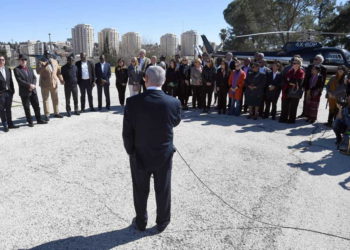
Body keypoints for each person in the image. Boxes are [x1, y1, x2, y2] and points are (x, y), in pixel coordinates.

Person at [122, 65, 181, 233]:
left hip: (139, 154)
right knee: (163, 189)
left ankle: (141, 222)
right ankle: (162, 221)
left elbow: (127, 132)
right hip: (164, 153)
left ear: (145, 79)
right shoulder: (173, 102)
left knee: (140, 190)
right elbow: (175, 122)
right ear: (164, 81)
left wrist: (131, 151)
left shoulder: (133, 102)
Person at [14, 54, 47, 127]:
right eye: (22, 60)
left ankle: (39, 120)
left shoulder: (30, 68)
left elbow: (34, 77)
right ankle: (30, 121)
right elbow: (19, 80)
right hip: (24, 92)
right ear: (19, 61)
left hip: (33, 90)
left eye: (25, 60)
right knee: (27, 108)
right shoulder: (16, 69)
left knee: (36, 106)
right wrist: (29, 85)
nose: (23, 61)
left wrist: (33, 85)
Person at [36, 50, 64, 121]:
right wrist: (44, 66)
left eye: (49, 54)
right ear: (44, 55)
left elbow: (58, 72)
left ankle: (56, 112)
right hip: (44, 84)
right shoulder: (40, 61)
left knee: (55, 99)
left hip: (54, 83)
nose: (48, 56)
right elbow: (38, 72)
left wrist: (61, 79)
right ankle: (47, 114)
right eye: (46, 54)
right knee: (46, 100)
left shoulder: (55, 61)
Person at [280, 57, 305, 124]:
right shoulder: (290, 71)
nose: (294, 64)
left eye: (296, 63)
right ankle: (283, 118)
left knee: (293, 106)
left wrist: (290, 81)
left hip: (295, 91)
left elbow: (299, 82)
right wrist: (290, 82)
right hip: (287, 90)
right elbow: (286, 79)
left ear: (299, 64)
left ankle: (291, 120)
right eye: (293, 63)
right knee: (286, 105)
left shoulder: (301, 72)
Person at [0, 55, 18, 132]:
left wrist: (12, 90)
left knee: (8, 109)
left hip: (9, 92)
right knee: (1, 110)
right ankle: (5, 124)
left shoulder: (8, 69)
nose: (1, 61)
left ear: (5, 61)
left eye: (3, 60)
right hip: (1, 93)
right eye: (0, 60)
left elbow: (10, 81)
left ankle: (10, 123)